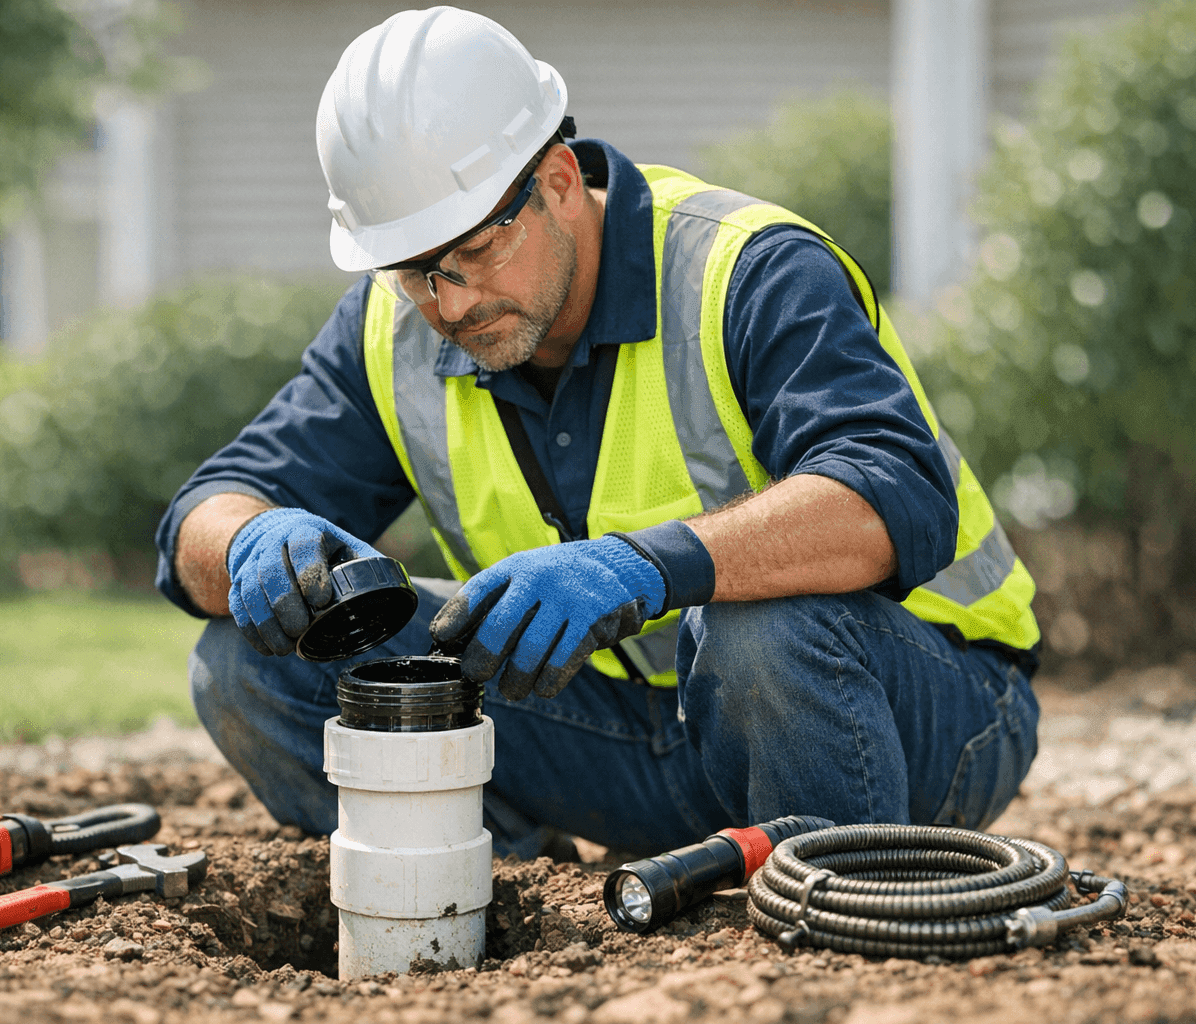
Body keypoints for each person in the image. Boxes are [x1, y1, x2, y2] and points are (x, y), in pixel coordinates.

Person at [155, 6, 1042, 859]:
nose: (450, 302)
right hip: (630, 739)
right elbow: (202, 513)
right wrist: (247, 541)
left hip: (915, 709)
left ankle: (837, 901)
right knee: (247, 661)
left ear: (560, 183)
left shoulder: (749, 271)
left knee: (761, 629)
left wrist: (644, 568)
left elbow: (888, 498)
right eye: (415, 271)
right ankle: (502, 899)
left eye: (476, 251)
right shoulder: (392, 332)